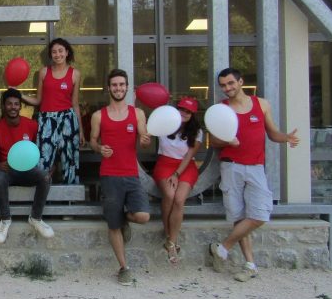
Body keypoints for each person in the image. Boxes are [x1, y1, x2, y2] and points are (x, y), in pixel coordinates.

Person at [208, 68, 300, 282]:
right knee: (239, 217)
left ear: (241, 82)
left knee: (260, 214)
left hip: (256, 166)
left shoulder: (262, 104)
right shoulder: (221, 109)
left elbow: (272, 132)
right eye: (223, 85)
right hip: (231, 166)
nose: (227, 88)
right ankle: (250, 264)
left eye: (230, 83)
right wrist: (227, 141)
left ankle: (222, 248)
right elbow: (214, 142)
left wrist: (285, 137)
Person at [89, 69, 151, 286]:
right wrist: (99, 148)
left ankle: (125, 217)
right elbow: (92, 141)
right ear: (109, 88)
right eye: (114, 85)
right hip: (109, 176)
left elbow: (144, 139)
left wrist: (145, 141)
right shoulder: (99, 115)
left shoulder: (138, 114)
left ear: (128, 88)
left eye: (122, 85)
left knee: (143, 216)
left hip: (131, 175)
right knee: (113, 226)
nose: (118, 88)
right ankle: (124, 268)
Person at [0, 88, 54, 243]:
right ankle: (5, 220)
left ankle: (36, 218)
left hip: (28, 170)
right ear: (4, 106)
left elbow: (44, 148)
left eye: (16, 104)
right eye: (9, 104)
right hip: (8, 171)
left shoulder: (31, 125)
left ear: (20, 106)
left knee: (45, 177)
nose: (13, 107)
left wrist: (49, 165)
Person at [22, 38, 83, 184]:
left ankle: (71, 200)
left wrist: (80, 130)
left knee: (70, 160)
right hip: (46, 120)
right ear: (50, 55)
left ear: (67, 52)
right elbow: (38, 101)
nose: (57, 54)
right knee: (43, 159)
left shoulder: (75, 74)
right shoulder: (44, 72)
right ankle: (43, 196)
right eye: (54, 52)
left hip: (68, 119)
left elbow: (75, 104)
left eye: (60, 51)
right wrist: (19, 95)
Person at [152, 96, 202, 264]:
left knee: (180, 200)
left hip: (185, 167)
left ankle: (171, 242)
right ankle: (168, 235)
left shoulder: (197, 132)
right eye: (182, 109)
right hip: (165, 164)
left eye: (188, 111)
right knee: (169, 195)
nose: (184, 113)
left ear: (193, 114)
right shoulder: (164, 125)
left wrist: (177, 174)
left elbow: (189, 156)